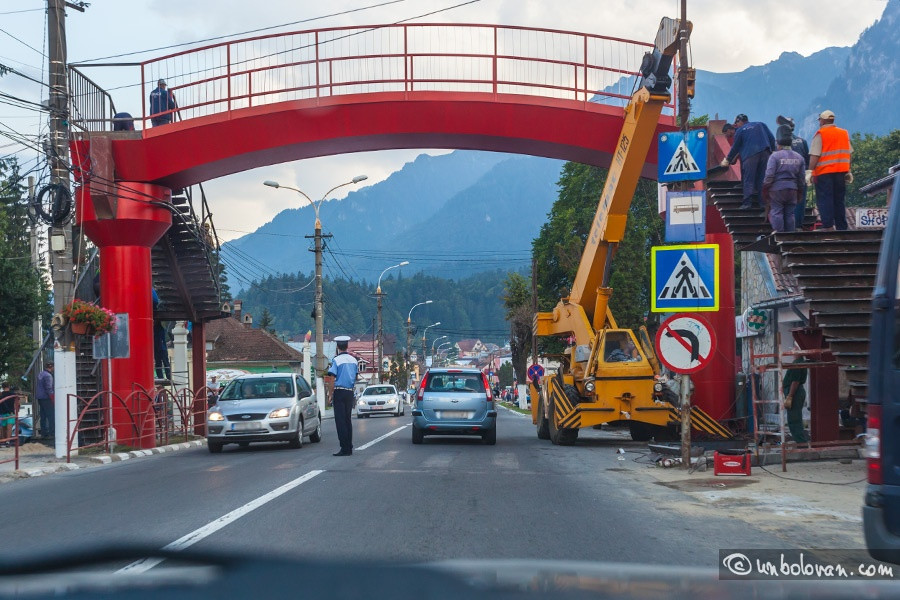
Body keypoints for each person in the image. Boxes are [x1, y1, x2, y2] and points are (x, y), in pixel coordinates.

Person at [808, 109, 853, 231]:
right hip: (841, 172)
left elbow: (815, 155)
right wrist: (848, 170)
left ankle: (828, 226)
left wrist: (809, 171)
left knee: (825, 199)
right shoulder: (843, 133)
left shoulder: (821, 134)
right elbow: (849, 153)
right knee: (839, 200)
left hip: (824, 173)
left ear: (822, 121)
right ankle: (841, 226)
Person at [720, 114, 776, 210]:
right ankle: (762, 203)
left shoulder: (740, 130)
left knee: (748, 179)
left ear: (739, 122)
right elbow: (772, 138)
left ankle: (747, 203)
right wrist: (773, 151)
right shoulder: (761, 124)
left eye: (736, 123)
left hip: (750, 156)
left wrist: (728, 159)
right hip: (765, 153)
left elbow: (735, 147)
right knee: (762, 178)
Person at [762, 128, 806, 232]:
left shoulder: (774, 156)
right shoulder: (799, 157)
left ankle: (779, 235)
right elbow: (801, 179)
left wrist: (765, 188)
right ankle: (790, 236)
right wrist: (800, 191)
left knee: (777, 212)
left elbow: (769, 175)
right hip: (793, 190)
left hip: (777, 190)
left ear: (778, 143)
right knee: (790, 213)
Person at [776, 115, 811, 228]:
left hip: (785, 177)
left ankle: (787, 226)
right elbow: (808, 160)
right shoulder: (802, 141)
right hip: (801, 176)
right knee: (800, 201)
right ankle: (798, 226)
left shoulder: (780, 143)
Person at [327, 336, 358, 456]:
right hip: (349, 392)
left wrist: (330, 394)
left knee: (340, 421)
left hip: (339, 392)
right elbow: (355, 377)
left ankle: (344, 448)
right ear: (347, 346)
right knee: (347, 420)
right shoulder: (354, 360)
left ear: (337, 347)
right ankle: (349, 446)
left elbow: (332, 378)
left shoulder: (336, 360)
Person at [783, 354, 809, 443]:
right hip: (797, 391)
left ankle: (801, 444)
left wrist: (790, 396)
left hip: (795, 392)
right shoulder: (800, 362)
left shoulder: (797, 363)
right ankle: (801, 442)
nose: (792, 353)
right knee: (795, 418)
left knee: (794, 420)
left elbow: (795, 382)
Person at [36, 362, 54, 439]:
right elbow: (49, 388)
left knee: (43, 416)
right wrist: (53, 397)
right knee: (51, 416)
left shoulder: (41, 374)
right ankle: (52, 433)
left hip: (40, 397)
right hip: (46, 398)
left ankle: (44, 433)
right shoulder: (48, 376)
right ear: (51, 367)